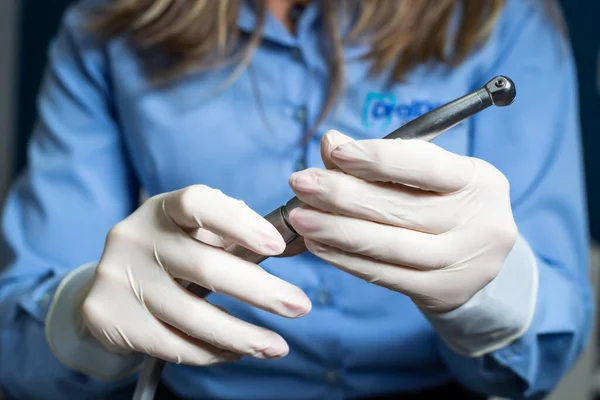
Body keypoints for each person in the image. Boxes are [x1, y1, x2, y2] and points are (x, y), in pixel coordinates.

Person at [0, 0, 592, 399]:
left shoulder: (506, 18)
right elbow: (16, 350)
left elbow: (545, 353)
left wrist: (488, 291)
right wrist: (83, 314)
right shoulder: (106, 25)